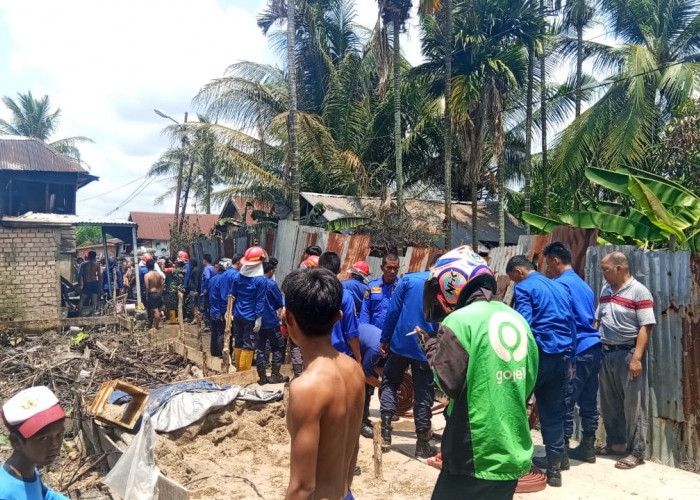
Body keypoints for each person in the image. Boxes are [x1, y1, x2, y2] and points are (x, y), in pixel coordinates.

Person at [421, 246, 538, 499]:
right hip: (511, 448)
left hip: (474, 449)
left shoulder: (460, 320)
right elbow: (527, 381)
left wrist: (432, 350)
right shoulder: (517, 319)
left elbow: (448, 384)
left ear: (452, 281)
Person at [281, 267, 365, 500]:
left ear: (288, 318)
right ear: (339, 317)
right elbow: (352, 447)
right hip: (345, 493)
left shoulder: (306, 388)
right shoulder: (354, 370)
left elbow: (302, 487)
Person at [506, 255, 576, 487]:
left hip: (537, 356)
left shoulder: (524, 287)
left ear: (518, 272)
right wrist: (570, 357)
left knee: (514, 406)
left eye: (512, 279)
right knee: (553, 411)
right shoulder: (558, 287)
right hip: (561, 357)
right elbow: (571, 322)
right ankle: (555, 469)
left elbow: (523, 324)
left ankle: (513, 461)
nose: (514, 283)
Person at [595, 251, 655, 470]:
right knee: (609, 403)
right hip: (606, 352)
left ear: (619, 267)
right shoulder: (605, 290)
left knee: (634, 405)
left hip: (628, 353)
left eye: (606, 269)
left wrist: (637, 357)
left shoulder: (639, 291)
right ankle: (616, 444)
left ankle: (636, 452)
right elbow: (597, 320)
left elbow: (646, 326)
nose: (603, 273)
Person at [543, 241, 601, 464]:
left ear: (556, 261)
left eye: (548, 264)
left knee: (564, 401)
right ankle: (588, 446)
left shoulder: (560, 285)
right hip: (594, 347)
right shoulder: (583, 284)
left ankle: (561, 455)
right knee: (588, 399)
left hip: (576, 349)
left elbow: (564, 321)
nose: (548, 269)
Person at [379, 268, 439, 458]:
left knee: (390, 381)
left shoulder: (409, 280)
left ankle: (385, 433)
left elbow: (393, 310)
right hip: (426, 345)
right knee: (423, 394)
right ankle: (422, 444)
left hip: (401, 342)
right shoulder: (447, 285)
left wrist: (385, 337)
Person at [1, 386, 68, 500]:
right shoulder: (5, 493)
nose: (55, 445)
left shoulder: (28, 471)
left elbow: (45, 495)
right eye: (44, 438)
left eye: (59, 435)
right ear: (16, 441)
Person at [227, 247, 268, 371]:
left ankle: (239, 370)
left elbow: (232, 295)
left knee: (238, 341)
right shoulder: (261, 280)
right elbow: (260, 300)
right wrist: (259, 318)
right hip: (251, 317)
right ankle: (243, 373)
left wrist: (228, 312)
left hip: (238, 314)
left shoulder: (237, 277)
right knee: (249, 344)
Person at [318, 252, 361, 363]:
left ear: (318, 267)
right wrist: (359, 359)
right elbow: (351, 332)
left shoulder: (309, 292)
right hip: (338, 356)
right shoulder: (345, 296)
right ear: (339, 270)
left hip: (313, 355)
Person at [256, 257, 290, 385]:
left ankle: (262, 377)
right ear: (270, 271)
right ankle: (275, 374)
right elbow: (278, 301)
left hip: (258, 321)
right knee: (277, 346)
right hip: (271, 321)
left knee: (260, 347)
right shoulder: (271, 284)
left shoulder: (255, 282)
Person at [359, 254, 399, 329]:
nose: (392, 271)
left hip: (392, 334)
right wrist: (364, 330)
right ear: (382, 268)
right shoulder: (372, 286)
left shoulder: (401, 286)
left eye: (395, 268)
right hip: (374, 332)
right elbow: (365, 310)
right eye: (389, 268)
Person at [208, 262, 225, 357]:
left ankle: (214, 352)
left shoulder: (212, 279)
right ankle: (220, 352)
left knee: (214, 333)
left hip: (212, 310)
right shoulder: (223, 279)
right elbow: (223, 297)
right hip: (219, 311)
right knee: (220, 332)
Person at [144, 258, 165, 333]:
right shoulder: (158, 274)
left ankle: (156, 327)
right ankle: (154, 324)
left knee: (155, 311)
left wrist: (147, 294)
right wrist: (161, 292)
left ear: (147, 266)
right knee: (157, 310)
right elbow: (162, 284)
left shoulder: (147, 275)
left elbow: (147, 286)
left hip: (152, 294)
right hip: (158, 293)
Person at [78, 251, 101, 315]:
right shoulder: (97, 265)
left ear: (88, 256)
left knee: (82, 300)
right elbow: (99, 277)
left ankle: (80, 315)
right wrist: (100, 287)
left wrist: (80, 285)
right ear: (95, 256)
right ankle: (93, 314)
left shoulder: (83, 264)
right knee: (94, 300)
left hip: (87, 283)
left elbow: (80, 276)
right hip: (94, 283)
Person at [198, 254, 216, 331]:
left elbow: (207, 277)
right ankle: (211, 324)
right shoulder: (213, 268)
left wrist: (205, 288)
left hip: (205, 292)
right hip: (212, 291)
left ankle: (207, 325)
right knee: (210, 307)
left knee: (204, 308)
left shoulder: (206, 269)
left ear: (204, 260)